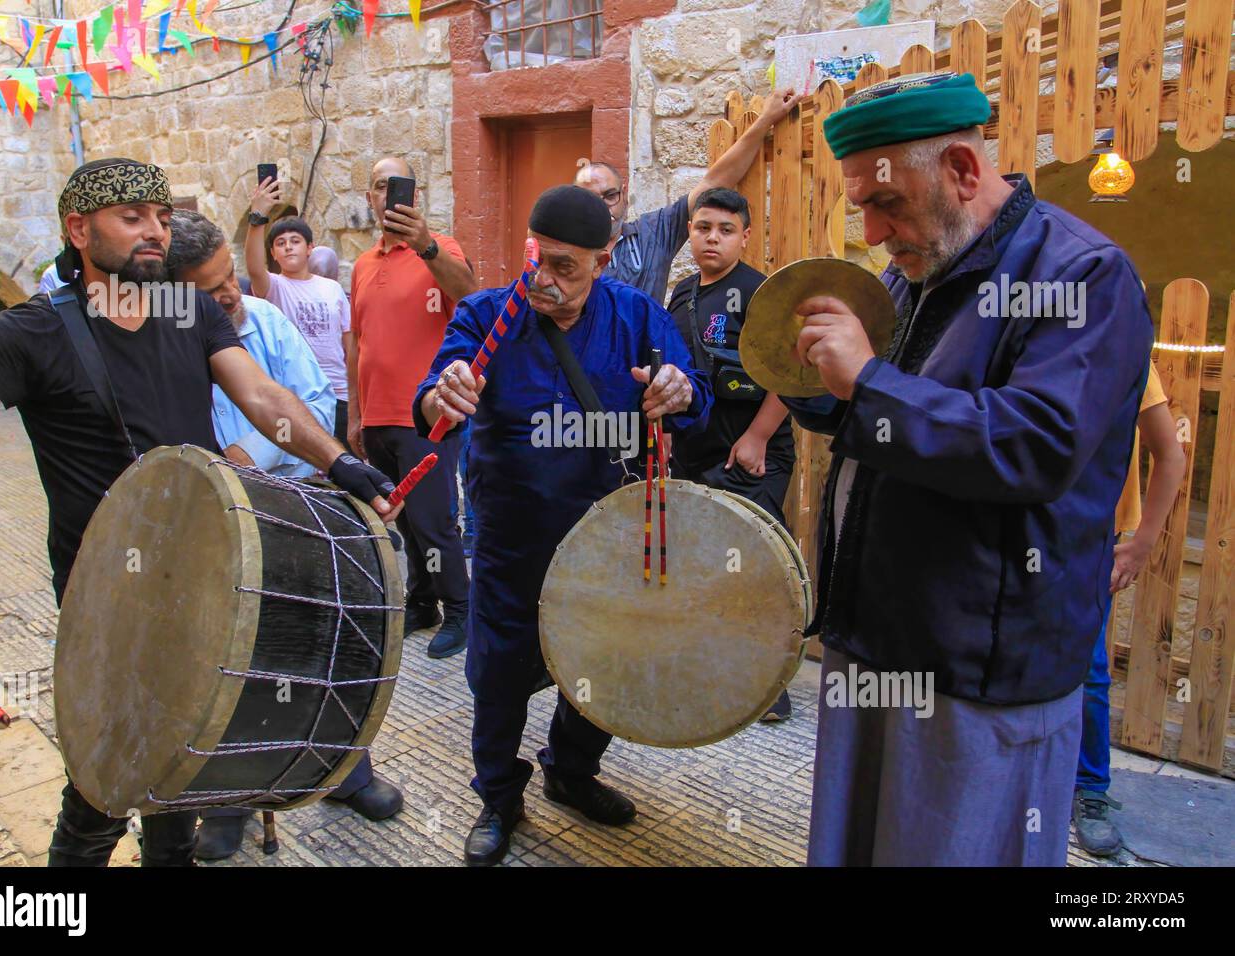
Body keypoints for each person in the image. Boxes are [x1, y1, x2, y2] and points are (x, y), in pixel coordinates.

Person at [0, 158, 402, 867]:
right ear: (79, 229)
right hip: (108, 603)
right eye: (133, 219)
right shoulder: (29, 333)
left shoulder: (189, 315)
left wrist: (340, 461)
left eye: (160, 216)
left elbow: (264, 400)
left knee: (180, 776)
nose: (154, 231)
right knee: (101, 790)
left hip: (208, 581)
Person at [781, 73, 1153, 865]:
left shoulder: (1082, 275)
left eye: (890, 205)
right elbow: (882, 422)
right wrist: (807, 381)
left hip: (979, 666)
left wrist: (868, 380)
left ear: (962, 168)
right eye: (864, 208)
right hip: (878, 637)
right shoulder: (916, 268)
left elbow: (1036, 444)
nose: (875, 233)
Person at [415, 185, 711, 866]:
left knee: (600, 663)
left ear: (604, 260)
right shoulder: (489, 313)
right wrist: (445, 389)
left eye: (567, 267)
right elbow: (435, 392)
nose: (546, 279)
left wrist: (677, 387)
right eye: (538, 260)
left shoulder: (636, 314)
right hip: (507, 531)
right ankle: (498, 797)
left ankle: (572, 771)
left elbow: (689, 389)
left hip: (601, 532)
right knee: (496, 672)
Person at [167, 210, 406, 860]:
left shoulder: (265, 321)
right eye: (209, 288)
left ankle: (345, 772)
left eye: (230, 280)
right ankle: (228, 802)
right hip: (221, 531)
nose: (229, 296)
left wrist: (250, 457)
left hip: (302, 507)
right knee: (235, 658)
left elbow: (303, 397)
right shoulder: (165, 346)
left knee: (327, 648)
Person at [666, 187, 795, 722]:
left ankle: (771, 687)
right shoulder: (681, 294)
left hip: (750, 452)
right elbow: (671, 367)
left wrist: (759, 436)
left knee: (753, 566)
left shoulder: (763, 293)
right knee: (702, 562)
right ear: (690, 233)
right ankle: (715, 665)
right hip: (693, 454)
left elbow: (791, 374)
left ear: (745, 236)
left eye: (724, 230)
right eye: (702, 228)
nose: (711, 238)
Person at [349, 156, 478, 659]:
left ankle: (461, 609)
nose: (387, 195)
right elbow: (358, 344)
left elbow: (471, 296)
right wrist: (357, 415)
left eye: (396, 187)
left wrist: (425, 244)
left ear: (414, 196)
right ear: (370, 198)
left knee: (433, 521)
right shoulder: (362, 264)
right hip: (377, 418)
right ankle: (423, 602)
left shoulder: (439, 249)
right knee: (401, 519)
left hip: (425, 416)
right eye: (379, 187)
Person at [1074, 359, 1185, 856]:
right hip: (1017, 526)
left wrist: (1141, 545)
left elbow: (1170, 454)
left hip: (1092, 532)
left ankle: (1090, 790)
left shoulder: (1127, 354)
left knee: (1088, 667)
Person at [574, 85, 799, 303]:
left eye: (610, 196)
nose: (602, 207)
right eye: (590, 200)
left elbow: (714, 181)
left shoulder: (652, 235)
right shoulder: (565, 247)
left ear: (624, 194)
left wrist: (765, 120)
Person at [245, 185, 354, 447]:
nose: (288, 248)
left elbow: (350, 346)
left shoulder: (333, 288)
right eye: (280, 244)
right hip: (296, 394)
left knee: (345, 470)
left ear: (309, 248)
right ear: (273, 253)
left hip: (338, 392)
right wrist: (257, 217)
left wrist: (356, 399)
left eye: (295, 241)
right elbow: (253, 267)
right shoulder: (274, 287)